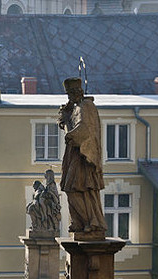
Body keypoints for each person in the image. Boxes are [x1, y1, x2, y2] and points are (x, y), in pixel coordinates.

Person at [57, 77, 107, 236]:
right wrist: (65, 115)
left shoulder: (87, 106)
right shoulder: (75, 107)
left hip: (83, 156)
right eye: (68, 93)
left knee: (77, 188)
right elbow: (69, 124)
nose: (70, 96)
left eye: (72, 92)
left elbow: (86, 128)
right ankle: (79, 221)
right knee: (70, 187)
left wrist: (72, 135)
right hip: (74, 153)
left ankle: (91, 222)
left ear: (79, 91)